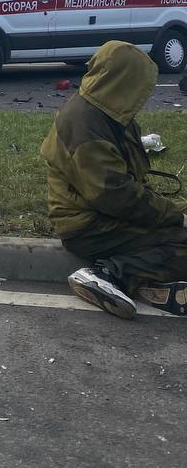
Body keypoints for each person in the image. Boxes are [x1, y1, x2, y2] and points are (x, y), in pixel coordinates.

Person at [42, 40, 187, 319]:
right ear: (124, 81)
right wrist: (175, 217)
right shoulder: (84, 124)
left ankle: (150, 285)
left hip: (100, 214)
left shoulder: (108, 112)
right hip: (87, 226)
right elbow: (115, 195)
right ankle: (106, 275)